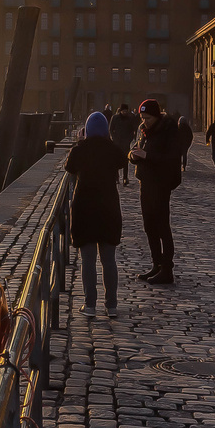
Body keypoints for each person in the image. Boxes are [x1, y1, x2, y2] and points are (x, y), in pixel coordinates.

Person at [65, 111, 124, 316]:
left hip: (85, 209)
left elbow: (69, 167)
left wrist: (81, 142)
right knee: (109, 260)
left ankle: (90, 304)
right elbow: (122, 161)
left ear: (87, 130)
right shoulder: (112, 150)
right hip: (108, 208)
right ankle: (112, 305)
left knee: (88, 260)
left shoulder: (80, 150)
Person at [129, 98, 182, 284]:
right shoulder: (145, 131)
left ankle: (167, 269)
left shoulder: (168, 130)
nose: (144, 121)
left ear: (157, 116)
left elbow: (172, 158)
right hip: (146, 182)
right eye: (142, 118)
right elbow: (137, 149)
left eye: (148, 118)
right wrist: (133, 155)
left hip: (161, 183)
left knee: (162, 226)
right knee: (149, 225)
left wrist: (147, 156)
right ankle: (156, 264)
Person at [109, 104, 138, 186]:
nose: (125, 112)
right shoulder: (115, 118)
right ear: (121, 110)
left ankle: (125, 177)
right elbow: (111, 129)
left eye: (126, 111)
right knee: (116, 160)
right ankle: (116, 177)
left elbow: (132, 130)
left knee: (126, 161)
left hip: (125, 143)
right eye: (123, 111)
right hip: (117, 143)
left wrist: (129, 140)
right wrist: (114, 138)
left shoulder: (130, 119)